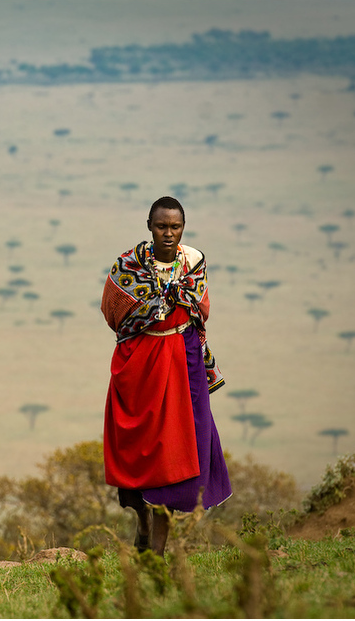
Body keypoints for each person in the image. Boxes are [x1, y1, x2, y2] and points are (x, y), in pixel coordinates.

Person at [100, 195, 231, 557]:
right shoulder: (128, 265)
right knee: (141, 450)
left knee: (181, 452)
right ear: (149, 226)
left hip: (185, 362)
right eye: (161, 226)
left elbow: (199, 308)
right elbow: (113, 311)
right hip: (140, 364)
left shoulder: (195, 262)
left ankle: (156, 552)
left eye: (175, 227)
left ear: (183, 228)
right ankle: (141, 518)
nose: (169, 233)